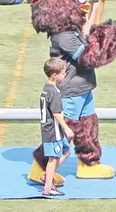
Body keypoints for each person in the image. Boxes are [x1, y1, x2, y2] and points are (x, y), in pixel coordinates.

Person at [39, 58, 74, 197]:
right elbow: (56, 113)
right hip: (53, 132)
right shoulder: (54, 92)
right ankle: (48, 187)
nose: (65, 75)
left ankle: (47, 176)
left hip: (53, 130)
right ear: (54, 75)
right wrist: (66, 128)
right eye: (63, 73)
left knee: (66, 151)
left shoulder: (46, 88)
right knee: (53, 158)